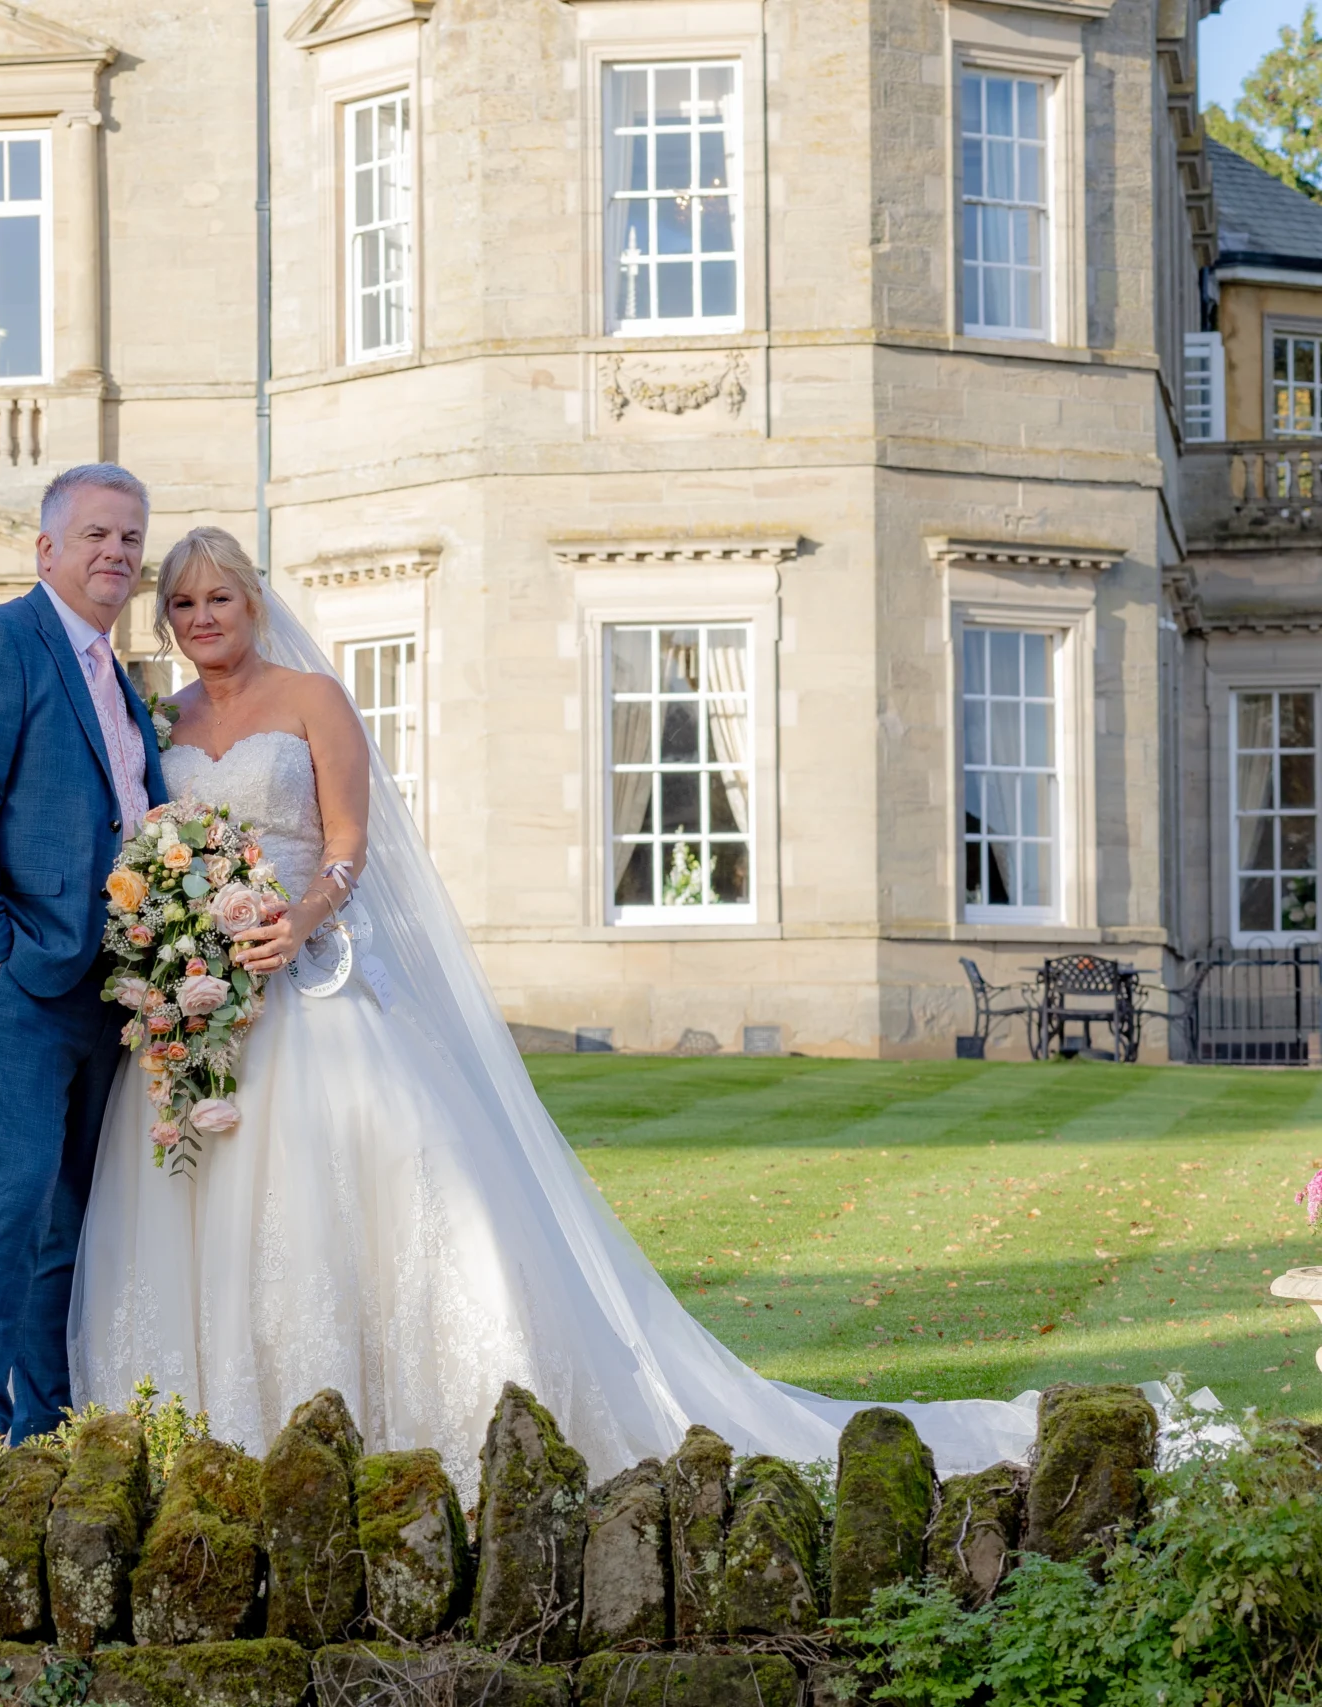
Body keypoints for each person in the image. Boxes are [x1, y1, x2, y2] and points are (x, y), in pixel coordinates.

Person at [66, 526, 1042, 1477]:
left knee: (345, 1196)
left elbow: (346, 846)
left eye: (218, 598)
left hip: (310, 982)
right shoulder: (167, 721)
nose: (201, 617)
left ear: (253, 602)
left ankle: (380, 1430)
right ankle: (213, 1429)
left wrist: (301, 917)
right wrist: (170, 934)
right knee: (201, 1205)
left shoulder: (313, 698)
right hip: (201, 1010)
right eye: (183, 603)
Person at [0, 462, 169, 1441]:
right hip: (23, 974)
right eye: (98, 534)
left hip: (106, 986)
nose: (117, 552)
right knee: (15, 1189)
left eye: (130, 539)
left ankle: (45, 1423)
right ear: (47, 549)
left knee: (72, 1210)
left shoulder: (116, 676)